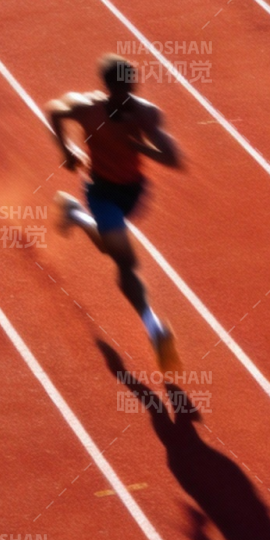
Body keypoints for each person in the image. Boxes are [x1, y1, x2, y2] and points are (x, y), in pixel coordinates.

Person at [48, 55, 182, 370]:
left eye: (131, 87)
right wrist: (66, 150)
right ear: (108, 88)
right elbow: (55, 111)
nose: (128, 95)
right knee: (125, 261)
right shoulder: (87, 108)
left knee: (110, 246)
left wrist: (140, 146)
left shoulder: (145, 114)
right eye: (122, 89)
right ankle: (155, 330)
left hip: (133, 192)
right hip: (102, 191)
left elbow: (173, 158)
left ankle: (74, 214)